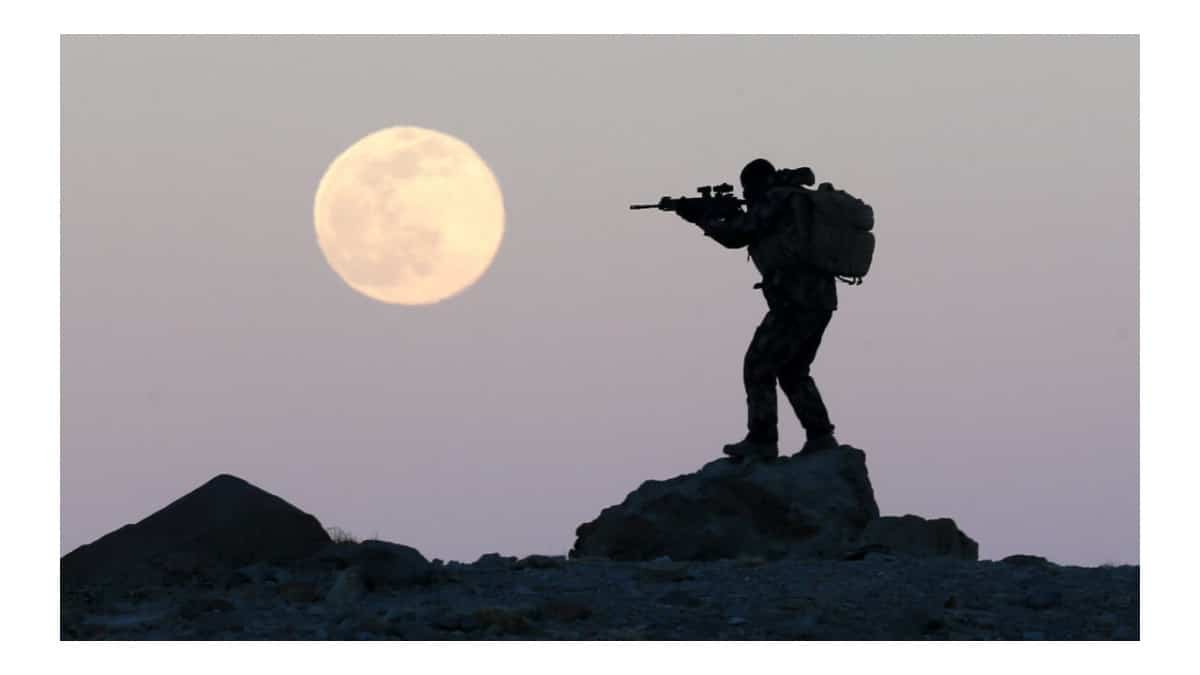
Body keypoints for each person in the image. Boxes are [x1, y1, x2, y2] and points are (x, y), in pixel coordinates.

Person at [675, 158, 840, 461]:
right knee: (793, 370)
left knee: (758, 365)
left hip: (794, 301)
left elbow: (738, 233)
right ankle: (820, 437)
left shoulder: (776, 198)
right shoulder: (794, 198)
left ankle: (762, 440)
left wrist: (703, 220)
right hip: (818, 300)